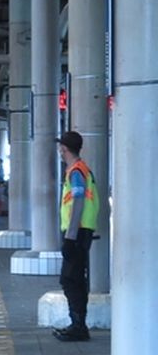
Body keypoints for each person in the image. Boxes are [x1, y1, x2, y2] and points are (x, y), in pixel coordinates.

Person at [53, 130, 98, 342]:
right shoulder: (80, 169)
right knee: (75, 279)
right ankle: (78, 324)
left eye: (61, 147)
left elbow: (78, 202)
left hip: (77, 232)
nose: (59, 151)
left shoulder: (76, 172)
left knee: (71, 279)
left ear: (64, 149)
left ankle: (79, 326)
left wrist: (70, 238)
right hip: (81, 231)